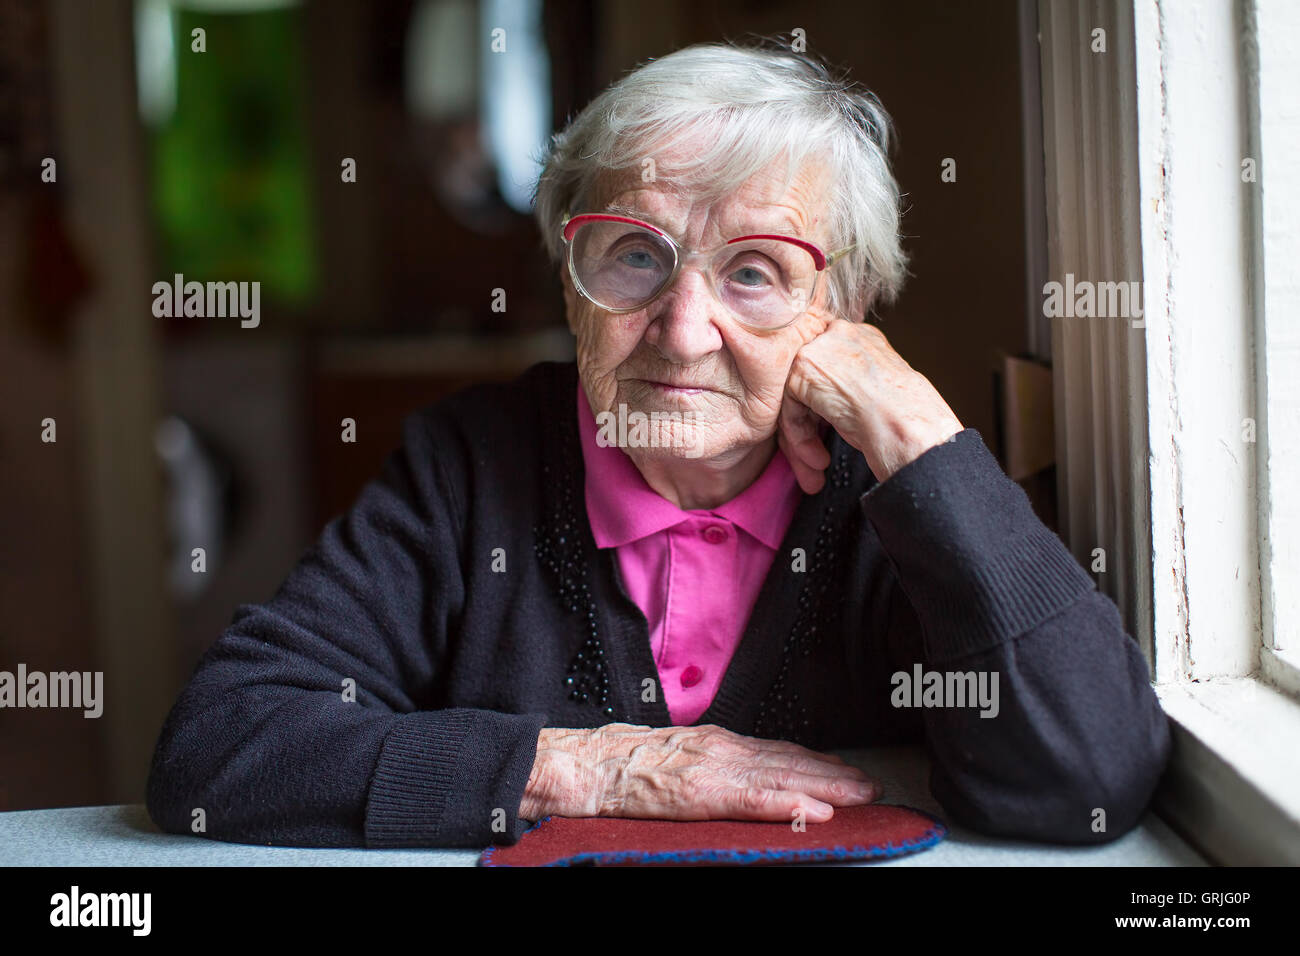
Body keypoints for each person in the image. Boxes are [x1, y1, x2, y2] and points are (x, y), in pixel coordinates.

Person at [146, 39, 1171, 849]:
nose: (683, 330)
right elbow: (220, 746)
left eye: (756, 272)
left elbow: (1088, 774)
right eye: (635, 254)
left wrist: (912, 426)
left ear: (845, 307)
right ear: (567, 280)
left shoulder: (892, 493)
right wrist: (587, 767)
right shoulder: (471, 466)